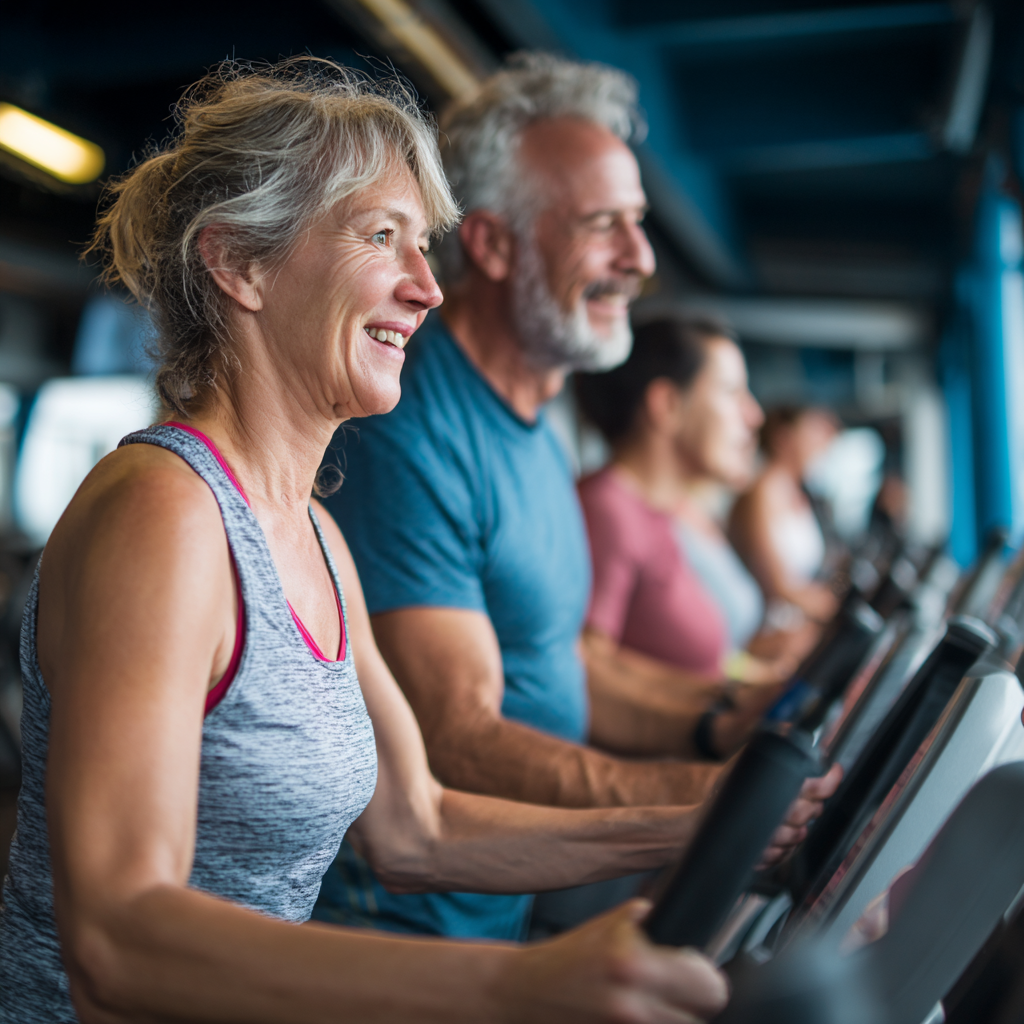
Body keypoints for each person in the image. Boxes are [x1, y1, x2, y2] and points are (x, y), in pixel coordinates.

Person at [0, 59, 747, 1023]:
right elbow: (117, 932)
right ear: (241, 265)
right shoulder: (164, 514)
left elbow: (416, 826)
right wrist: (519, 986)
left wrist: (697, 825)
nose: (429, 288)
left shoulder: (314, 533)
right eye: (383, 237)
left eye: (425, 246)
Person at [317, 53, 840, 940]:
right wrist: (706, 796)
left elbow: (560, 659)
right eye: (603, 226)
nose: (638, 259)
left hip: (499, 910)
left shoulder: (540, 415)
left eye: (636, 223)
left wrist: (717, 718)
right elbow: (459, 736)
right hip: (400, 936)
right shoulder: (409, 428)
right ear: (490, 244)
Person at [574, 315, 810, 694]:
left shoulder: (661, 511)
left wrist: (762, 676)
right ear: (667, 404)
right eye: (732, 393)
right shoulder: (607, 509)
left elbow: (700, 661)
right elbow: (589, 672)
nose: (754, 416)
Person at [729, 405, 841, 625]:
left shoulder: (800, 494)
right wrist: (832, 609)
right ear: (784, 438)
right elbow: (778, 585)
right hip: (769, 630)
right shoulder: (760, 493)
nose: (820, 445)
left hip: (799, 623)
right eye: (811, 433)